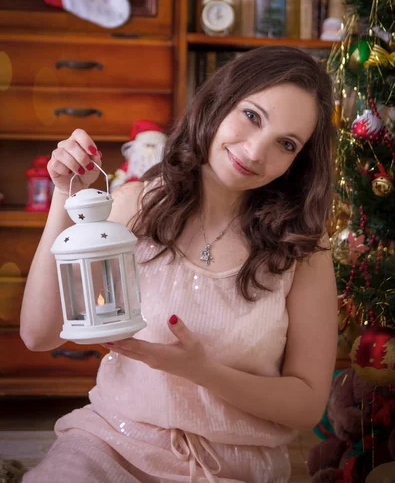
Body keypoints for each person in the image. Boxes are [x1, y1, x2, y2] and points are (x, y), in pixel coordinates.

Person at [20, 46, 338, 483]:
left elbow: (307, 405)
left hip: (235, 467)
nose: (255, 150)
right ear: (220, 101)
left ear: (297, 161)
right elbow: (38, 333)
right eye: (252, 116)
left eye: (286, 144)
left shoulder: (302, 248)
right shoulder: (135, 204)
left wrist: (202, 372)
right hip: (110, 445)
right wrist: (63, 194)